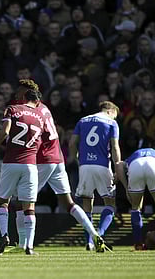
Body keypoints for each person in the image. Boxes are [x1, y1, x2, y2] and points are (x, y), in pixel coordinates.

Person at [13, 79, 107, 253]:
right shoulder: (45, 109)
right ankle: (94, 234)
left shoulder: (32, 112)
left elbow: (33, 137)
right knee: (68, 202)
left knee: (22, 201)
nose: (17, 95)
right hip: (58, 158)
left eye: (19, 92)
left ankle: (23, 245)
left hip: (44, 160)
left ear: (27, 93)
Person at [0, 88, 44, 255]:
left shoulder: (13, 109)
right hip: (30, 164)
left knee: (3, 201)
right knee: (29, 206)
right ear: (37, 101)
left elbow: (5, 132)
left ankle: (4, 235)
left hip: (11, 162)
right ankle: (29, 246)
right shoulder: (41, 117)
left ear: (23, 97)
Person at [68, 101, 121, 251]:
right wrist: (118, 168)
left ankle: (89, 242)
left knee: (87, 206)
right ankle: (99, 233)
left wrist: (76, 159)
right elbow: (115, 147)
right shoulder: (111, 123)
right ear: (110, 111)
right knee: (110, 203)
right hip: (102, 166)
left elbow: (72, 143)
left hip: (84, 166)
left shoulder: (83, 120)